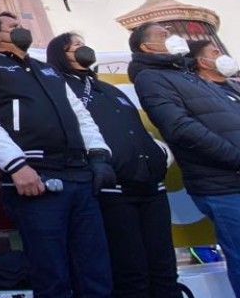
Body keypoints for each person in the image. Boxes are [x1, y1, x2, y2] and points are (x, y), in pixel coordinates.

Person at [0, 13, 114, 298]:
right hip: (36, 181)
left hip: (80, 178)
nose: (22, 30)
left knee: (96, 271)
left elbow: (80, 115)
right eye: (13, 27)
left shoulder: (49, 71)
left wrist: (98, 155)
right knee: (51, 275)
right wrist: (17, 166)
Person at [46, 32, 179, 297]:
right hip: (114, 192)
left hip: (152, 188)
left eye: (84, 44)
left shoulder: (109, 89)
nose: (84, 49)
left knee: (164, 269)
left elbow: (139, 130)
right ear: (61, 55)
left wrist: (161, 154)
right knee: (132, 271)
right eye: (76, 47)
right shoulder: (58, 89)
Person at [129, 23, 240, 297]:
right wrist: (236, 158)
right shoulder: (151, 78)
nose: (173, 38)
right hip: (223, 185)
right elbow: (180, 128)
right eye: (163, 35)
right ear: (146, 46)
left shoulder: (189, 75)